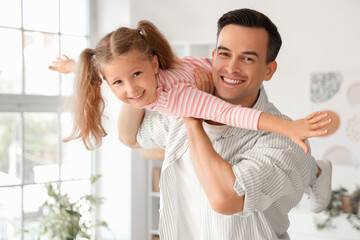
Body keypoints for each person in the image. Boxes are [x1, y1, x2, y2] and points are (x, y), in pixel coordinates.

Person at [113, 9, 332, 239]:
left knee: (300, 160)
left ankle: (314, 171)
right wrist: (137, 81)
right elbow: (130, 137)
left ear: (269, 70)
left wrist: (193, 119)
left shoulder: (284, 141)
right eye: (225, 54)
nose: (231, 68)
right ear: (214, 56)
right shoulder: (179, 105)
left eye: (247, 58)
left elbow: (224, 199)